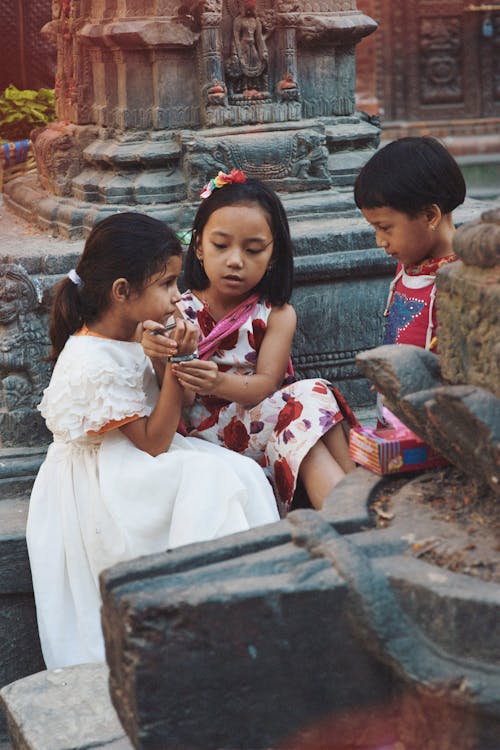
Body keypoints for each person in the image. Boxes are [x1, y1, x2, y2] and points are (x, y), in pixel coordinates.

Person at [26, 212, 279, 670]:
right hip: (103, 483)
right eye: (166, 284)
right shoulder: (90, 359)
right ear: (123, 291)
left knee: (236, 472)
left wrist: (170, 360)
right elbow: (155, 441)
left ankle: (242, 620)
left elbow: (158, 421)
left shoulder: (130, 334)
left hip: (134, 459)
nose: (178, 296)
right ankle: (211, 631)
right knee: (209, 481)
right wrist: (176, 366)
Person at [142, 172, 357, 516]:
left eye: (253, 249)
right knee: (313, 398)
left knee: (309, 426)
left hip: (260, 415)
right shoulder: (177, 312)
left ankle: (353, 503)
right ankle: (360, 500)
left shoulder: (276, 314)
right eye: (221, 245)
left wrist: (219, 382)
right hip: (208, 436)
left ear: (273, 255)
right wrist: (163, 359)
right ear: (198, 246)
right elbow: (181, 400)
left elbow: (266, 384)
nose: (235, 260)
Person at [353, 135, 466, 425]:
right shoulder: (408, 266)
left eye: (385, 227)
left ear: (430, 215)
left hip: (438, 414)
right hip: (394, 402)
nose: (380, 241)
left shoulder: (463, 279)